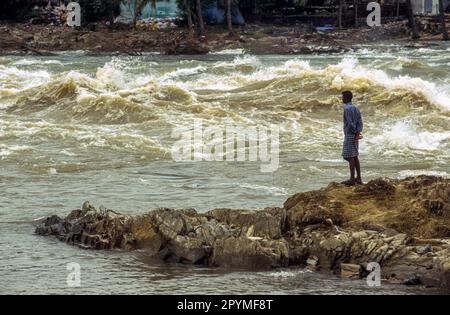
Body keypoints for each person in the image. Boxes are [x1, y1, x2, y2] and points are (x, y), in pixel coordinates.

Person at [341, 91, 363, 186]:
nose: (341, 99)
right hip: (355, 134)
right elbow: (360, 121)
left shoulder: (347, 108)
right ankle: (358, 178)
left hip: (350, 134)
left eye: (342, 97)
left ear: (346, 98)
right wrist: (358, 133)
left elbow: (350, 123)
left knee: (349, 156)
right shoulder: (355, 108)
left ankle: (352, 179)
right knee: (355, 156)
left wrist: (354, 132)